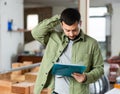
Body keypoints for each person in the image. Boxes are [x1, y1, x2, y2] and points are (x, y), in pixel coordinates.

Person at [31, 8, 104, 94]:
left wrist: (86, 77)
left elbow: (99, 68)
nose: (71, 34)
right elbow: (36, 32)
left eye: (74, 30)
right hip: (54, 92)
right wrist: (59, 18)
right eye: (67, 30)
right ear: (62, 25)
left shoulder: (92, 43)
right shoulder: (54, 38)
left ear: (80, 23)